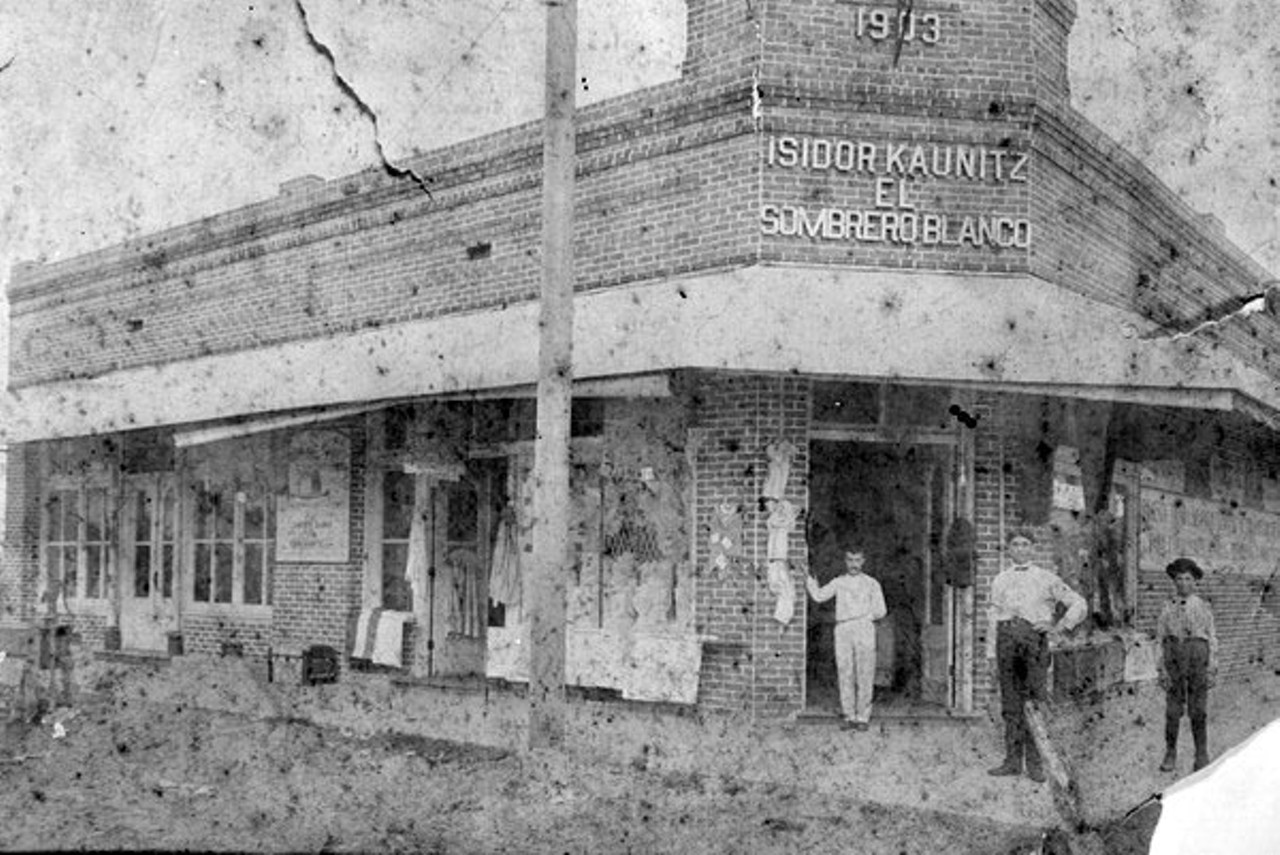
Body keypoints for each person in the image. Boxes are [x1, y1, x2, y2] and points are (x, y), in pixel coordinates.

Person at [986, 530, 1087, 782]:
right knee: (1010, 703)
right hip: (1006, 641)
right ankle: (1012, 762)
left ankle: (1035, 764)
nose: (1020, 549)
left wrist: (1059, 626)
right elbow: (992, 617)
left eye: (1025, 544)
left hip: (1033, 642)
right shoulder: (999, 580)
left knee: (1035, 702)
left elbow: (1078, 603)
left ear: (1032, 548)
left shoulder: (1046, 578)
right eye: (1015, 544)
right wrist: (990, 654)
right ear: (1008, 549)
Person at [807, 549, 887, 731]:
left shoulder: (871, 583)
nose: (854, 564)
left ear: (863, 561)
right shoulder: (839, 582)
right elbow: (819, 596)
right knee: (845, 671)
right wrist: (810, 580)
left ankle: (863, 717)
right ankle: (849, 715)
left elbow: (881, 610)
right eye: (850, 560)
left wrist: (863, 617)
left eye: (857, 560)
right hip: (843, 628)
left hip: (864, 627)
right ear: (845, 561)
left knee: (865, 672)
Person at [1156, 557, 1218, 773]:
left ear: (1194, 582)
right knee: (1173, 710)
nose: (1183, 583)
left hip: (1197, 657)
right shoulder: (1166, 607)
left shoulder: (1203, 607)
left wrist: (1212, 667)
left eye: (1188, 579)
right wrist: (1161, 668)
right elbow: (1160, 638)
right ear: (1174, 582)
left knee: (1198, 709)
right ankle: (1170, 752)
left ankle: (1201, 753)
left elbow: (1212, 638)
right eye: (1179, 579)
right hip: (1173, 656)